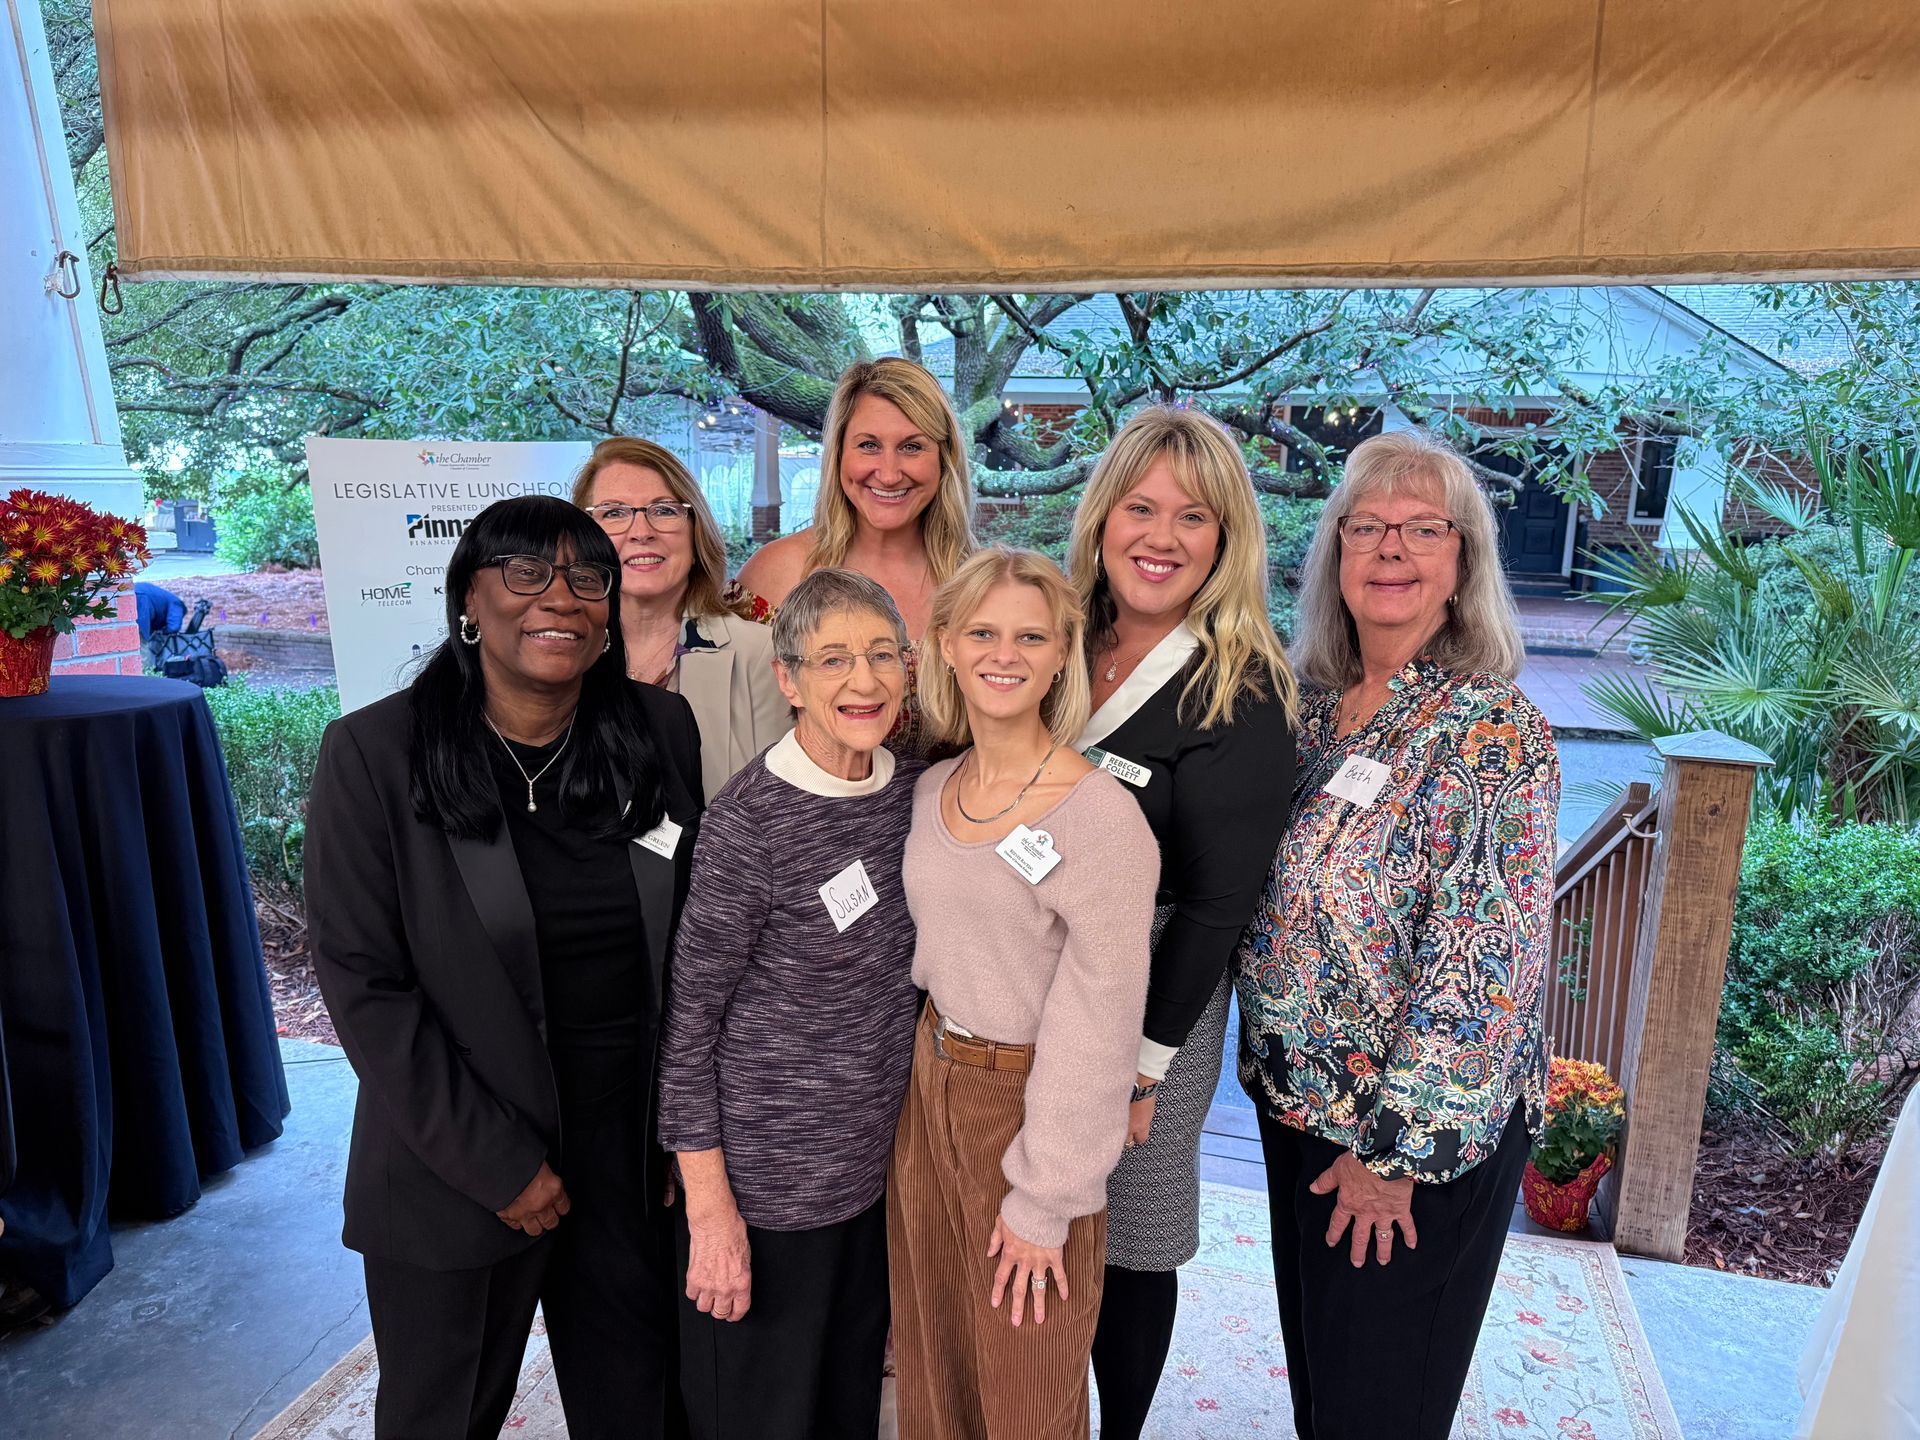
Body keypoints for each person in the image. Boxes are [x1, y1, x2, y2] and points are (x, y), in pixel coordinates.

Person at [305, 495, 703, 1440]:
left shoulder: (659, 728)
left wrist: (684, 1132)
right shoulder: (376, 752)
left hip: (627, 1148)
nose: (558, 597)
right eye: (524, 572)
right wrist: (498, 1164)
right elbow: (365, 984)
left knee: (643, 1407)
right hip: (458, 1149)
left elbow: (693, 944)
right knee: (442, 1417)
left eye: (586, 578)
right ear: (468, 604)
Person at [1236, 429, 1560, 1440]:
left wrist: (1393, 1155)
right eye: (1367, 525)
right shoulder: (1311, 712)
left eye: (1424, 529)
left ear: (1464, 562)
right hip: (1299, 1110)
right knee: (1324, 1393)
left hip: (1411, 1142)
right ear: (1334, 550)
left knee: (1379, 1409)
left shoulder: (1493, 730)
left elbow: (1485, 967)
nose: (1390, 548)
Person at [889, 547, 1158, 1440]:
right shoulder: (932, 789)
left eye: (1031, 637)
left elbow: (1101, 1022)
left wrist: (1046, 1197)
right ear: (946, 645)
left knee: (1026, 1384)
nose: (1004, 655)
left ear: (1061, 655)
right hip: (929, 1086)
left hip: (1030, 1103)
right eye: (982, 633)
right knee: (935, 1357)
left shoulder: (1101, 817)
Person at [1066, 407, 1299, 1438]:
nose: (1161, 537)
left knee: (1130, 1236)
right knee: (1031, 1212)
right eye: (1141, 507)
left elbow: (1217, 903)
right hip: (1029, 976)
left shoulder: (1239, 687)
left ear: (1224, 540)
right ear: (1102, 517)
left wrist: (1143, 1065)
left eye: (1192, 517)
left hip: (1157, 996)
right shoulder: (1060, 634)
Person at [656, 568, 922, 1440]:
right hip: (766, 1194)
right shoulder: (749, 825)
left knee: (846, 1409)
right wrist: (711, 1215)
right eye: (833, 658)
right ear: (789, 679)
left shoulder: (917, 793)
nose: (863, 680)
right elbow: (688, 1030)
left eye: (882, 654)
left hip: (874, 1182)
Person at [730, 358, 976, 753]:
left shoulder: (981, 585)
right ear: (838, 454)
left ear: (943, 459)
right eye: (868, 445)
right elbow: (731, 734)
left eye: (912, 447)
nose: (889, 474)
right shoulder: (776, 575)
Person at [573, 436, 792, 801]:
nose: (642, 532)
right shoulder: (559, 654)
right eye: (613, 513)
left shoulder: (760, 655)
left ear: (695, 529)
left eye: (663, 510)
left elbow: (778, 808)